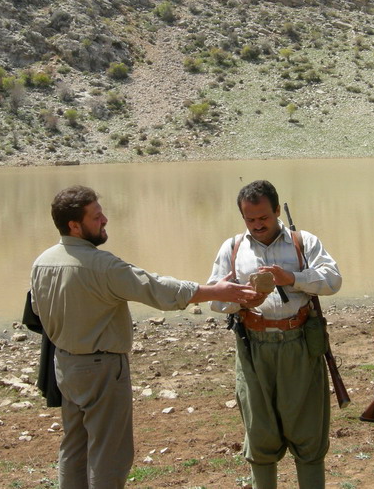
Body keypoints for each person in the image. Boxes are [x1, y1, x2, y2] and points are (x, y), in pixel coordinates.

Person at [29, 185, 257, 489]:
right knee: (109, 453)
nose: (104, 220)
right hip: (102, 369)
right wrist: (214, 291)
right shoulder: (103, 266)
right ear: (74, 226)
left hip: (65, 366)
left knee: (74, 447)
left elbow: (37, 311)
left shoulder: (41, 262)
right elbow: (156, 289)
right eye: (96, 217)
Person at [208, 180, 342, 489]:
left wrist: (291, 278)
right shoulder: (232, 248)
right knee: (260, 434)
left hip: (300, 346)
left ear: (277, 210)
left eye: (263, 218)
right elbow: (215, 298)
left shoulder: (303, 242)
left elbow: (333, 280)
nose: (257, 225)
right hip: (253, 349)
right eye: (250, 219)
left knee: (308, 434)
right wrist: (243, 300)